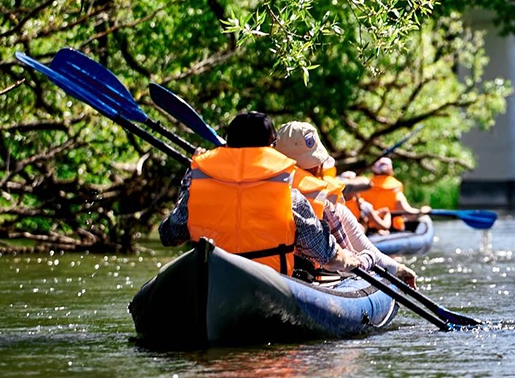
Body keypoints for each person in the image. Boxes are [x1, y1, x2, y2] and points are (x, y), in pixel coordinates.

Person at [158, 111, 373, 280]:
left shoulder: (199, 183)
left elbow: (169, 235)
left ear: (227, 145)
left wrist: (191, 179)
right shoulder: (290, 194)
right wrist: (350, 260)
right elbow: (324, 254)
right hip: (270, 280)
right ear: (272, 149)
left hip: (212, 273)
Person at [274, 120, 416, 287]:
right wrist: (396, 268)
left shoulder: (263, 194)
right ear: (318, 165)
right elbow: (349, 261)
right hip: (313, 282)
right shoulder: (326, 204)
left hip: (267, 276)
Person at [358, 156, 429, 231]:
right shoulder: (395, 187)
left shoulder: (363, 186)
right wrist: (422, 211)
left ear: (374, 170)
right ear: (391, 170)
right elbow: (409, 214)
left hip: (367, 229)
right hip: (392, 229)